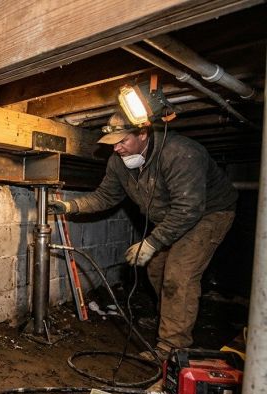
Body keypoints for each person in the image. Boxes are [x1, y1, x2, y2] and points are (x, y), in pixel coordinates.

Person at [49, 111, 237, 360]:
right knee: (156, 269)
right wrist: (71, 206)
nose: (116, 148)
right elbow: (106, 196)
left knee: (178, 276)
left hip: (208, 214)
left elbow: (188, 209)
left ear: (143, 133)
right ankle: (170, 318)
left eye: (122, 141)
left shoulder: (180, 153)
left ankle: (172, 349)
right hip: (171, 216)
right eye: (113, 143)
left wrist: (152, 242)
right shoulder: (118, 162)